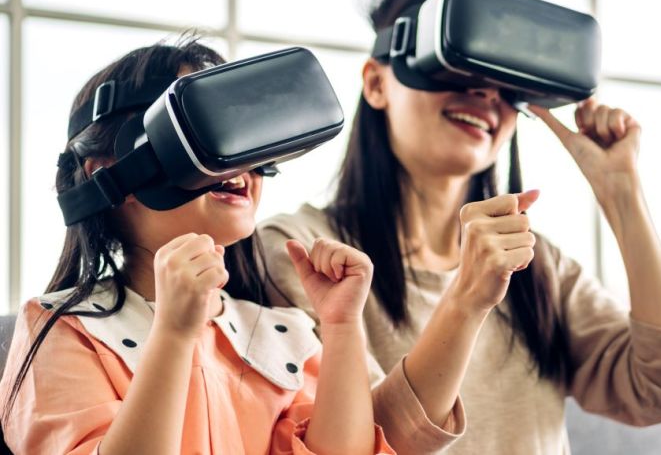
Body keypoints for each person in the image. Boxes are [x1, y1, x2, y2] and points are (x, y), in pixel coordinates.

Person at [260, 0, 661, 454]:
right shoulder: (304, 255)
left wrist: (622, 194)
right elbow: (363, 445)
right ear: (377, 83)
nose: (484, 95)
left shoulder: (538, 267)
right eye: (454, 68)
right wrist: (466, 300)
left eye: (506, 86)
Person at [0, 38, 393, 455]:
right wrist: (172, 334)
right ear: (111, 173)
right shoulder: (64, 331)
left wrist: (342, 328)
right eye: (205, 131)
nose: (237, 162)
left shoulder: (283, 336)